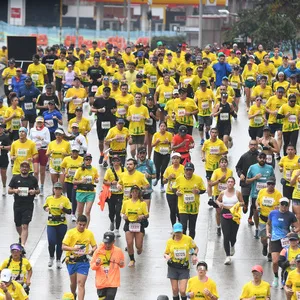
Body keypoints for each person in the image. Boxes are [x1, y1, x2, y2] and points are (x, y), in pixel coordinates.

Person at [62, 215, 97, 300]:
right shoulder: (70, 233)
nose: (81, 227)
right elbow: (63, 247)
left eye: (83, 225)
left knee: (81, 283)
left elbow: (95, 246)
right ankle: (73, 295)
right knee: (73, 283)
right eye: (80, 224)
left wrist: (92, 251)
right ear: (77, 223)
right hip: (71, 261)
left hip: (83, 262)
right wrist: (74, 248)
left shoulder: (89, 233)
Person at [266, 197, 299, 288]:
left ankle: (283, 278)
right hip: (275, 240)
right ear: (279, 204)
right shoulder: (273, 213)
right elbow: (268, 224)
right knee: (275, 261)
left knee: (285, 262)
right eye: (282, 204)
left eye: (286, 205)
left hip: (286, 240)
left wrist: (293, 232)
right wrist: (268, 232)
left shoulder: (290, 215)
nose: (284, 206)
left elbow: (298, 227)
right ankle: (276, 277)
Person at [8, 161, 40, 249]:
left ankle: (22, 245)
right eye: (23, 167)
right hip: (18, 204)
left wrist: (34, 192)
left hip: (28, 205)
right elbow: (9, 190)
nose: (24, 168)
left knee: (25, 225)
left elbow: (38, 190)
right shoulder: (15, 178)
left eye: (26, 167)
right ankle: (21, 236)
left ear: (29, 169)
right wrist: (14, 191)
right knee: (18, 224)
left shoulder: (33, 179)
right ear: (20, 168)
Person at [164, 222, 198, 300]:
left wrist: (194, 255)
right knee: (175, 290)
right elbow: (165, 253)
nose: (178, 234)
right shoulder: (170, 241)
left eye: (179, 232)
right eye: (176, 232)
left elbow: (196, 248)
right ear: (173, 232)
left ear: (182, 231)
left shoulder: (188, 239)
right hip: (173, 267)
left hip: (184, 267)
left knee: (182, 290)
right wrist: (166, 256)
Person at [173, 162, 206, 239]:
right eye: (187, 170)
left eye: (190, 170)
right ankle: (184, 242)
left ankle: (191, 243)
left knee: (192, 227)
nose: (188, 172)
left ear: (193, 170)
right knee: (183, 226)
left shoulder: (198, 179)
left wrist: (198, 191)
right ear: (184, 170)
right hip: (182, 207)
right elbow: (174, 188)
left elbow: (204, 189)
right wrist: (176, 192)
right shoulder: (179, 179)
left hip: (194, 207)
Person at [216, 177, 244, 265]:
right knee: (226, 235)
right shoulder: (222, 193)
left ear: (234, 183)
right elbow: (217, 200)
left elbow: (243, 203)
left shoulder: (237, 193)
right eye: (228, 182)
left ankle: (232, 245)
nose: (230, 183)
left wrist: (238, 204)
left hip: (235, 216)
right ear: (226, 184)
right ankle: (227, 256)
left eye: (232, 182)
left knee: (233, 236)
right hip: (224, 215)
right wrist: (219, 203)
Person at [246, 152, 275, 239]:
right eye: (260, 158)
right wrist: (255, 178)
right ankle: (257, 228)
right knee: (255, 211)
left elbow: (273, 180)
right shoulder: (252, 167)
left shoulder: (270, 168)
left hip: (267, 194)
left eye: (264, 158)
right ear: (257, 158)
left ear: (266, 159)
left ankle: (267, 228)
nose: (262, 159)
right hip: (255, 194)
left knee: (267, 210)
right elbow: (247, 181)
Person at [44, 182, 71, 269]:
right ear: (53, 189)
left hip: (61, 223)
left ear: (61, 190)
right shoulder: (49, 199)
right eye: (56, 189)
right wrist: (46, 208)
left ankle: (58, 260)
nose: (57, 190)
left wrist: (63, 208)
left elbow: (70, 211)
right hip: (51, 223)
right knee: (51, 241)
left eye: (59, 189)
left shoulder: (65, 200)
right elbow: (45, 206)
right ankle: (51, 257)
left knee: (60, 242)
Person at [90, 232, 125, 300]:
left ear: (114, 241)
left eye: (109, 243)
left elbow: (122, 265)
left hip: (113, 282)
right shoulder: (98, 251)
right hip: (101, 282)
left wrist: (121, 263)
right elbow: (92, 266)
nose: (107, 245)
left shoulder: (118, 251)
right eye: (106, 243)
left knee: (110, 298)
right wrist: (97, 264)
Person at [121, 185, 149, 267]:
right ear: (130, 193)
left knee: (138, 246)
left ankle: (140, 248)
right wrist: (123, 216)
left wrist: (142, 216)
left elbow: (147, 215)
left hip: (138, 224)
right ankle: (132, 259)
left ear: (139, 193)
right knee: (129, 243)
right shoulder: (126, 202)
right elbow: (121, 212)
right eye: (133, 192)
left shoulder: (142, 203)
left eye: (136, 192)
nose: (134, 193)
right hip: (129, 223)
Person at [256, 176, 282, 260]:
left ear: (274, 185)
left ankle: (270, 253)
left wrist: (278, 208)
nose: (270, 185)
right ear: (266, 184)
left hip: (273, 219)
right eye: (269, 184)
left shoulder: (278, 194)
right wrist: (257, 206)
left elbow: (280, 205)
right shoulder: (262, 192)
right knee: (263, 238)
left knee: (271, 237)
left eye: (272, 184)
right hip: (263, 218)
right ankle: (264, 246)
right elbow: (257, 201)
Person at [91, 86, 117, 167]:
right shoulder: (98, 100)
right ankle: (102, 154)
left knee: (108, 141)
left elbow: (115, 109)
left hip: (110, 122)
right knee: (101, 141)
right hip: (100, 122)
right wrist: (98, 110)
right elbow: (91, 109)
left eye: (108, 91)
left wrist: (114, 111)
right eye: (105, 91)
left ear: (109, 93)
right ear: (102, 92)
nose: (106, 93)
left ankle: (106, 158)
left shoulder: (112, 100)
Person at [210, 157, 233, 236]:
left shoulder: (230, 172)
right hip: (218, 194)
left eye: (225, 162)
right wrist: (220, 179)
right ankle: (218, 226)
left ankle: (226, 226)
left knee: (227, 211)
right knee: (218, 211)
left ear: (227, 163)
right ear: (219, 164)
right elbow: (211, 184)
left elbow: (231, 182)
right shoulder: (216, 172)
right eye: (222, 162)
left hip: (227, 194)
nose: (223, 164)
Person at [103, 155, 125, 237]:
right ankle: (112, 221)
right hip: (111, 194)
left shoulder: (124, 170)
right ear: (112, 162)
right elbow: (104, 181)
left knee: (118, 211)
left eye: (117, 160)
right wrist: (112, 183)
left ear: (120, 161)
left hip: (120, 194)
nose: (116, 162)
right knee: (111, 211)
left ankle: (117, 229)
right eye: (114, 161)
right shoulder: (109, 171)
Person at [29, 116, 50, 196]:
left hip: (43, 150)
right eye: (38, 122)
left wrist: (42, 139)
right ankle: (36, 187)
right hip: (35, 151)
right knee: (36, 171)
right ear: (35, 122)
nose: (39, 124)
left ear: (43, 122)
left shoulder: (46, 130)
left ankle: (42, 186)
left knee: (42, 171)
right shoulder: (32, 130)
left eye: (41, 122)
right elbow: (30, 139)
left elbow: (49, 142)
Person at [61, 145, 83, 222]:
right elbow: (62, 167)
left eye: (76, 152)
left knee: (74, 197)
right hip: (68, 180)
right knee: (70, 196)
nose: (74, 153)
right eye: (73, 151)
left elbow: (84, 168)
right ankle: (74, 205)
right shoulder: (66, 159)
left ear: (78, 152)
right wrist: (65, 173)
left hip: (76, 181)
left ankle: (73, 213)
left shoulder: (81, 159)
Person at [163, 152, 184, 226]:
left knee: (179, 210)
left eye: (177, 158)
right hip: (170, 193)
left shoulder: (183, 168)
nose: (175, 160)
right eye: (174, 158)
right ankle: (174, 226)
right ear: (172, 160)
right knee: (172, 210)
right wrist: (168, 178)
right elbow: (163, 181)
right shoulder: (168, 169)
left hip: (180, 192)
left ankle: (181, 226)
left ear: (180, 159)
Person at [127, 93, 150, 158]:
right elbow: (127, 117)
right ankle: (133, 158)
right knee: (132, 149)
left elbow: (148, 119)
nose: (137, 98)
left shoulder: (144, 108)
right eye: (136, 97)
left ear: (141, 98)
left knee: (139, 149)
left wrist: (144, 118)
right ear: (134, 98)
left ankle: (138, 161)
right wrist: (128, 118)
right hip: (132, 131)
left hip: (141, 131)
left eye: (139, 97)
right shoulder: (130, 107)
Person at [152, 121, 172, 192]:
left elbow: (172, 144)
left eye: (164, 126)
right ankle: (157, 178)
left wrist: (168, 142)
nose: (163, 128)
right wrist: (156, 142)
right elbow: (152, 145)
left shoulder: (169, 134)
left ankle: (162, 185)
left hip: (166, 153)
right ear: (159, 127)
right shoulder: (156, 135)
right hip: (158, 152)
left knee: (163, 169)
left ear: (166, 127)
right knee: (157, 168)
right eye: (161, 126)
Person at [194, 80, 214, 145]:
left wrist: (211, 100)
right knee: (201, 126)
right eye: (202, 86)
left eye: (204, 86)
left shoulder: (210, 91)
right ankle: (202, 139)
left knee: (208, 126)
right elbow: (194, 100)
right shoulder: (197, 92)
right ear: (200, 86)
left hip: (208, 112)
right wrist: (195, 100)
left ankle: (206, 132)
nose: (203, 87)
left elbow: (214, 99)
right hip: (200, 112)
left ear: (206, 85)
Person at [136, 146, 156, 211]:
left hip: (147, 190)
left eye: (143, 153)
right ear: (137, 155)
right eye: (140, 153)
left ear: (146, 154)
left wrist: (149, 176)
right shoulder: (134, 164)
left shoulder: (150, 163)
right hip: (136, 191)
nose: (142, 155)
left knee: (146, 211)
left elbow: (155, 176)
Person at [0, 123, 11, 196]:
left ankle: (4, 186)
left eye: (0, 128)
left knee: (3, 173)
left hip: (3, 157)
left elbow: (10, 147)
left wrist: (2, 147)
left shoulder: (6, 137)